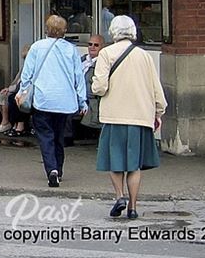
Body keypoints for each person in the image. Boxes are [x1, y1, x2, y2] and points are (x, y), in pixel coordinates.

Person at [92, 15, 166, 220]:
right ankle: (133, 207)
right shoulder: (144, 56)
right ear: (132, 31)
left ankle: (119, 196)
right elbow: (156, 89)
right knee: (134, 165)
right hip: (140, 117)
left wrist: (93, 87)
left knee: (115, 161)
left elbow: (100, 87)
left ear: (113, 32)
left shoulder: (106, 53)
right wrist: (158, 112)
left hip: (114, 117)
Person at [17, 14, 87, 187]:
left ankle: (52, 170)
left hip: (42, 99)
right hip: (65, 101)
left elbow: (27, 75)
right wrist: (82, 101)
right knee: (59, 137)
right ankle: (59, 169)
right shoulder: (71, 49)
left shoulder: (37, 47)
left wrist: (22, 92)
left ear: (46, 29)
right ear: (64, 31)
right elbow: (78, 77)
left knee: (45, 137)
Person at [0, 44, 32, 135]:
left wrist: (10, 89)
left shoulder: (30, 68)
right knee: (2, 96)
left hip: (26, 91)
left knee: (14, 99)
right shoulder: (24, 67)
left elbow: (23, 83)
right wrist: (9, 89)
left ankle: (13, 124)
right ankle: (5, 121)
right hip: (19, 89)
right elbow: (17, 81)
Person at [79, 34, 107, 136]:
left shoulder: (102, 63)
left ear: (102, 47)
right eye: (90, 44)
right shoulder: (82, 60)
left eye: (96, 45)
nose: (92, 47)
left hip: (91, 96)